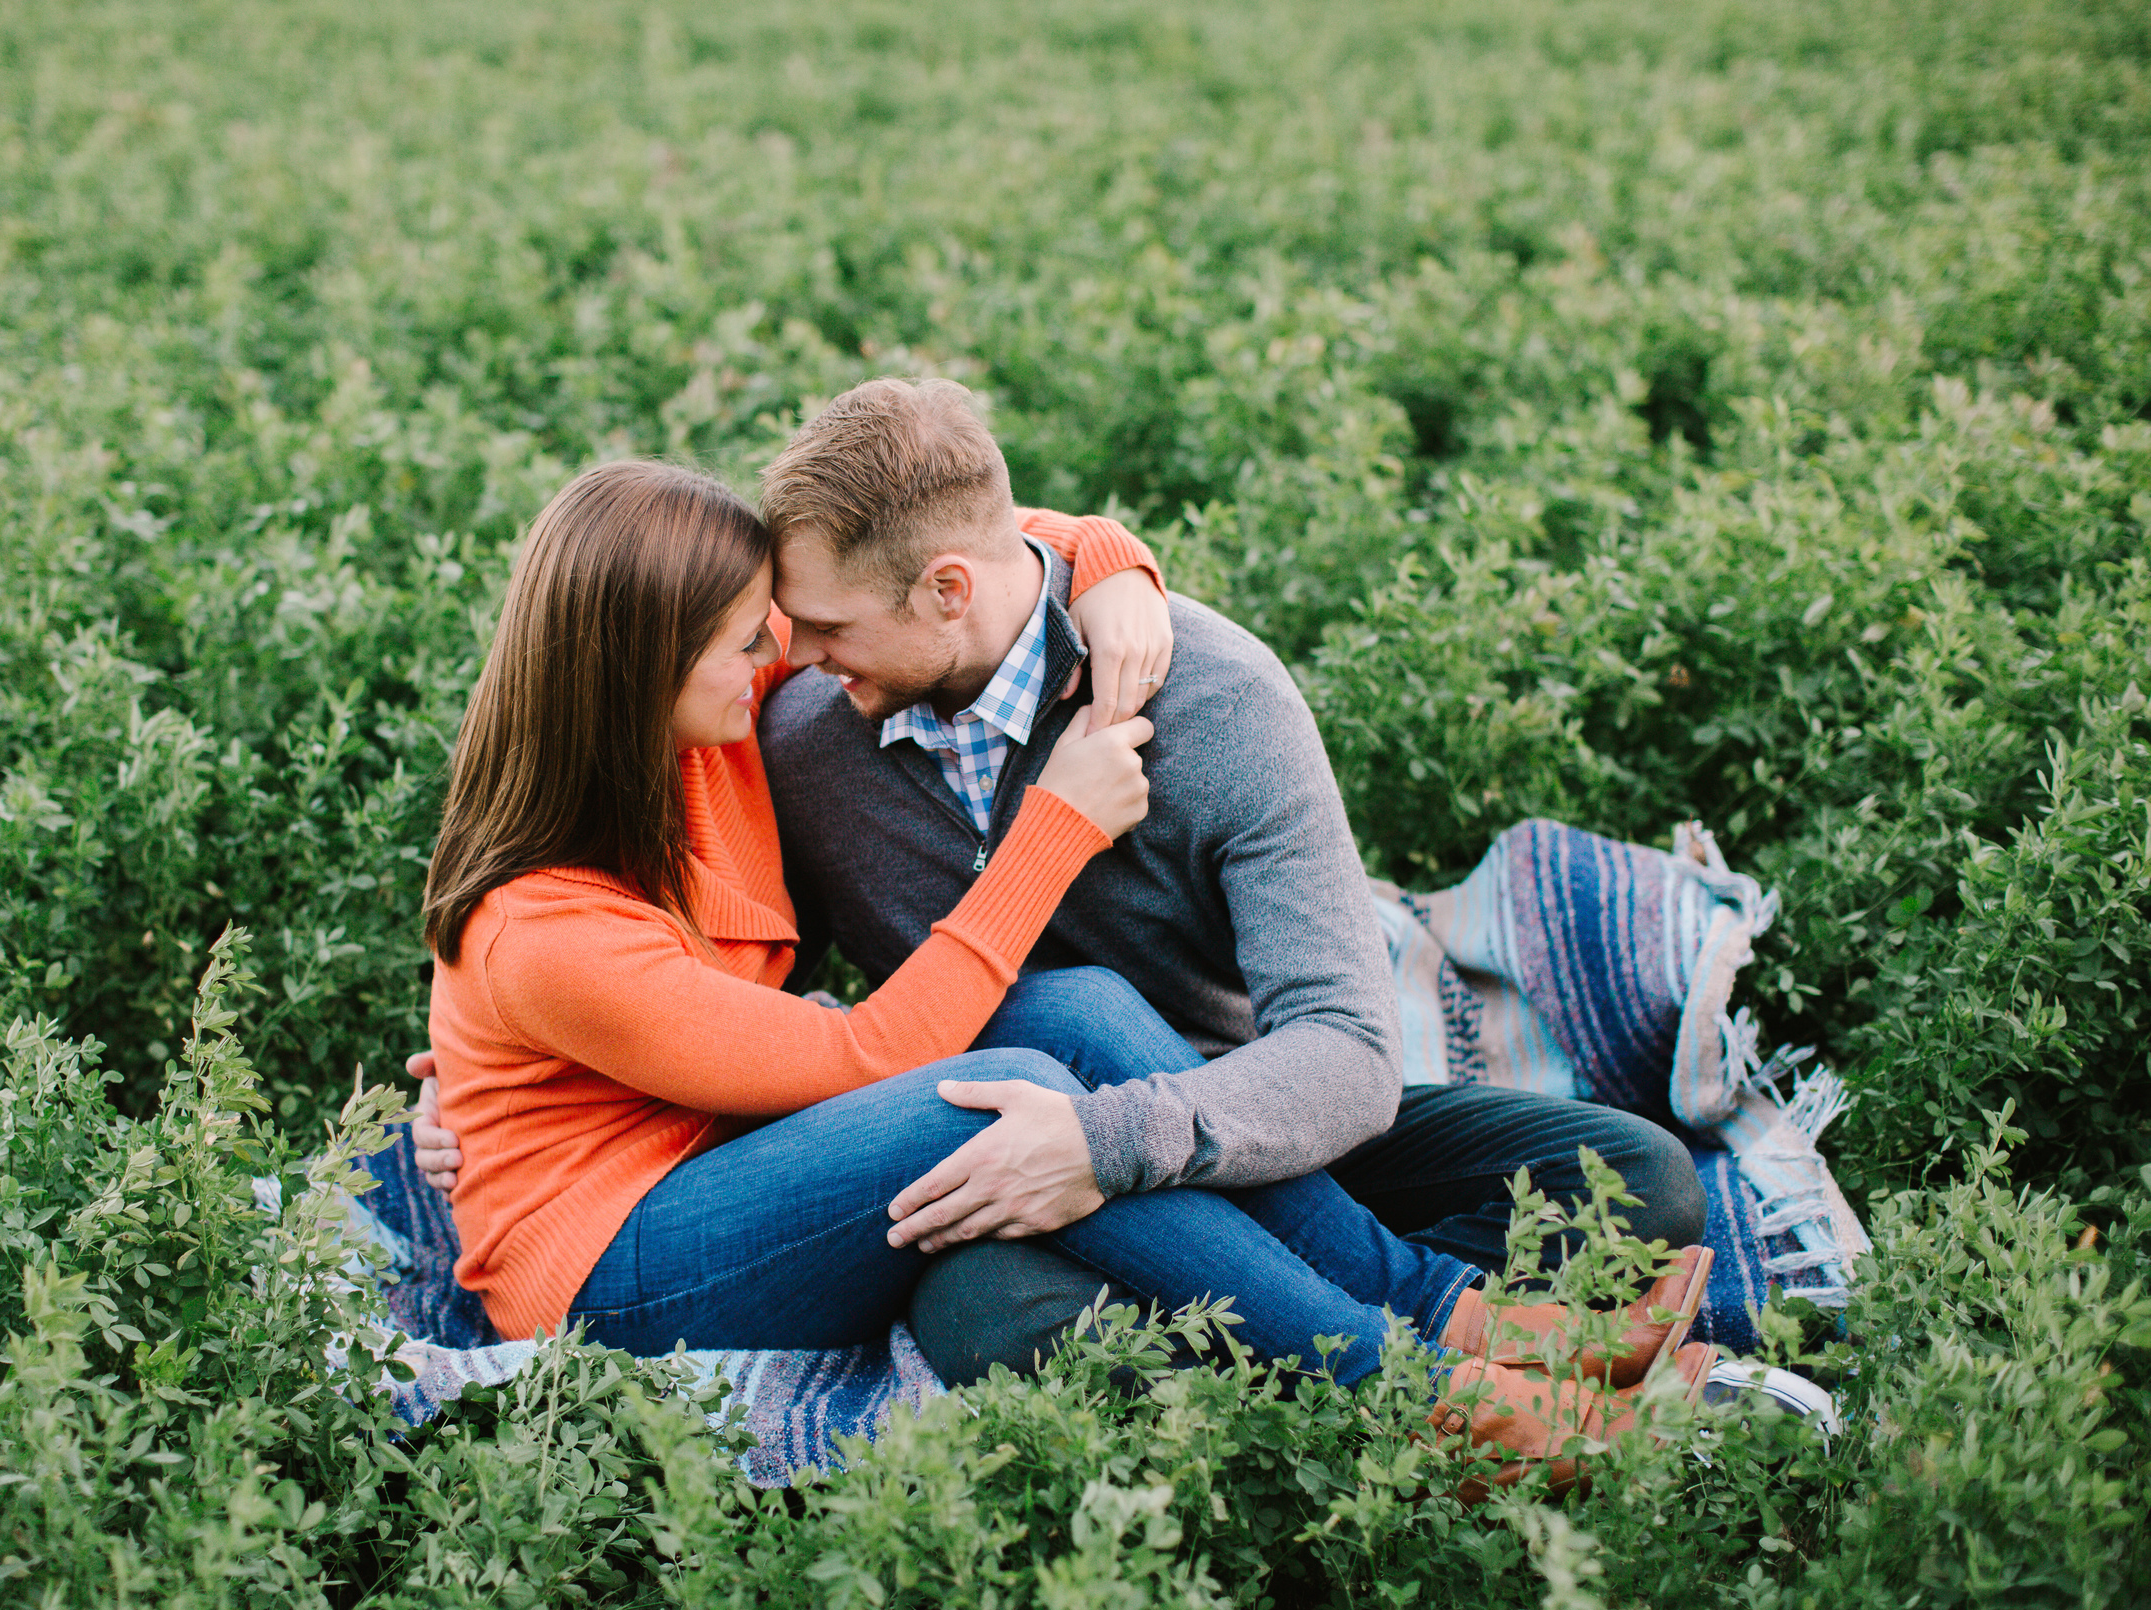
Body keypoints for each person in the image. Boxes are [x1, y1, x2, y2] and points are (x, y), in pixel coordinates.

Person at [417, 454, 1711, 1496]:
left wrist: (1108, 561)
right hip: (615, 1267)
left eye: (781, 628)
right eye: (747, 640)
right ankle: (1440, 1399)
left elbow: (953, 539)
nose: (782, 659)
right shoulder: (551, 928)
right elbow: (861, 1059)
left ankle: (1449, 1315)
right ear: (644, 664)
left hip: (778, 1141)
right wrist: (1062, 824)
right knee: (1014, 1093)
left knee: (1070, 1013)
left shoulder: (706, 736)